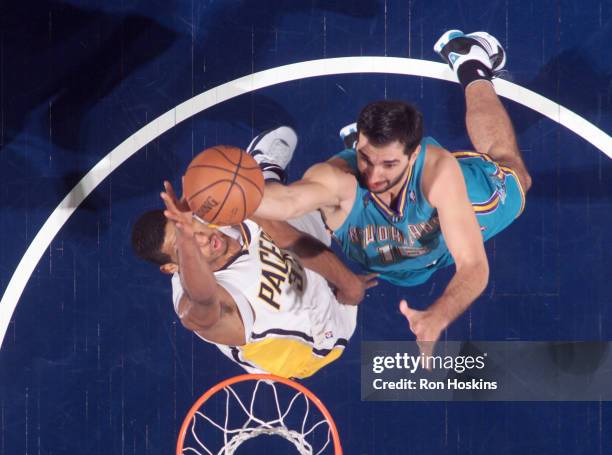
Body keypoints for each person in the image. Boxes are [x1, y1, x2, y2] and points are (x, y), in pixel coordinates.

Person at [253, 30, 532, 349]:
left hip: (438, 226)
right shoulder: (338, 179)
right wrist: (228, 199)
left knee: (515, 173)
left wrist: (438, 315)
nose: (372, 177)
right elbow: (285, 204)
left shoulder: (438, 171)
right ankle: (268, 169)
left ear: (413, 155)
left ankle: (470, 61)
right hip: (394, 256)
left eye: (388, 164)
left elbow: (473, 266)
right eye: (365, 158)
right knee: (310, 202)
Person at [131, 130, 377, 378]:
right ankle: (261, 179)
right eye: (183, 245)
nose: (202, 238)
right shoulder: (196, 306)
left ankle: (262, 177)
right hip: (313, 346)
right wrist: (185, 237)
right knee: (284, 205)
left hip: (294, 254)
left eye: (191, 225)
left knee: (319, 193)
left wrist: (348, 283)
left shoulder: (217, 215)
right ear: (172, 267)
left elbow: (291, 240)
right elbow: (203, 300)